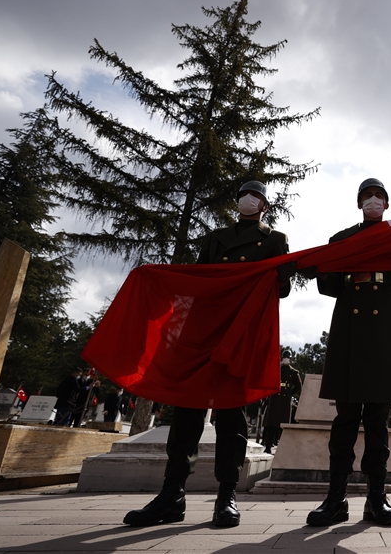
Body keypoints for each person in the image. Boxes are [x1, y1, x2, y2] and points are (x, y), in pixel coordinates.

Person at [124, 181, 295, 528]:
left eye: (258, 196)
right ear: (238, 203)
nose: (251, 200)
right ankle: (171, 496)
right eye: (246, 195)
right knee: (185, 415)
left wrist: (282, 272)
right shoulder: (215, 237)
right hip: (203, 331)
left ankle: (226, 497)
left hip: (238, 335)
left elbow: (283, 290)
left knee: (231, 419)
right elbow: (200, 280)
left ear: (264, 205)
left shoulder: (275, 240)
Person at [305, 178, 391, 528]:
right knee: (345, 420)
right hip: (350, 325)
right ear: (358, 203)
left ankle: (377, 498)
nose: (373, 201)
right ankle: (335, 499)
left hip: (384, 329)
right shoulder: (342, 239)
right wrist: (320, 266)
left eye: (379, 196)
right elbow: (329, 288)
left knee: (378, 421)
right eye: (367, 196)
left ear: (387, 205)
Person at [261, 350, 303, 453]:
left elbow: (298, 386)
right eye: (284, 357)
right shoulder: (276, 370)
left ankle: (280, 446)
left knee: (282, 424)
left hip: (285, 401)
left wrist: (289, 393)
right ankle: (268, 446)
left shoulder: (294, 372)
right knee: (270, 424)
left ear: (291, 359)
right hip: (274, 399)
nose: (286, 359)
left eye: (288, 357)